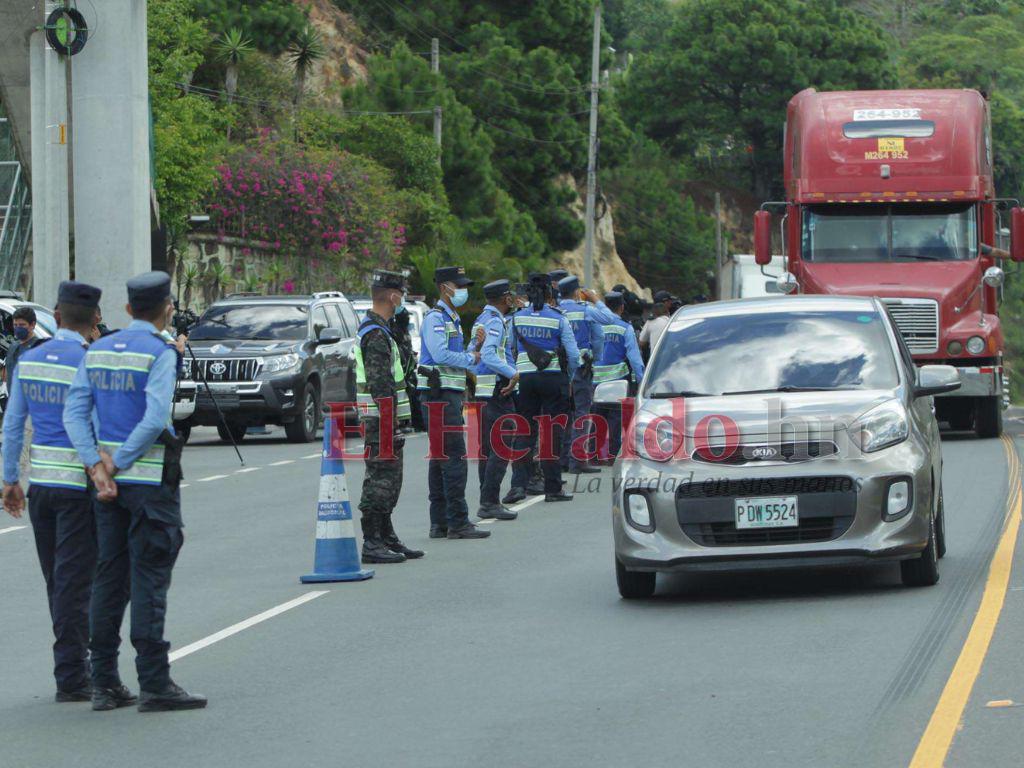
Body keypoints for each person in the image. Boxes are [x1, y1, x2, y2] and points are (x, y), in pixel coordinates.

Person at [64, 271, 206, 713]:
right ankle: (155, 682)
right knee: (149, 579)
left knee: (109, 578)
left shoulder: (99, 349)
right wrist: (118, 461)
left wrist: (97, 466)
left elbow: (74, 413)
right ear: (167, 308)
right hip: (149, 484)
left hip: (109, 489)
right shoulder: (161, 352)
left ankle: (104, 681)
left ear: (127, 310)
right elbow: (155, 419)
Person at [2, 281, 102, 703]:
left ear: (55, 317)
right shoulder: (93, 361)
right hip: (80, 488)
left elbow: (12, 425)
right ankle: (72, 675)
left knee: (56, 580)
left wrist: (10, 481)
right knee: (77, 583)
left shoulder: (30, 359)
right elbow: (98, 426)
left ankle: (74, 665)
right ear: (95, 319)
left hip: (41, 489)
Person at [355, 270, 423, 564]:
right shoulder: (374, 334)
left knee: (391, 479)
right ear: (393, 296)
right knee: (380, 479)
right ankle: (372, 541)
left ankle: (385, 535)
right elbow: (380, 383)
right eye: (402, 294)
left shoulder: (383, 330)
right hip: (379, 417)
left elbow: (401, 373)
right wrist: (389, 422)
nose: (403, 300)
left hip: (385, 417)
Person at [418, 266, 489, 540]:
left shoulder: (452, 318)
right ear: (444, 287)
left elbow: (455, 354)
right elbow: (439, 354)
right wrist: (471, 359)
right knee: (454, 459)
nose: (462, 290)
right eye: (458, 286)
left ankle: (441, 523)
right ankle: (457, 522)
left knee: (440, 459)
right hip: (439, 398)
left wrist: (475, 347)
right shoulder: (435, 318)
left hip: (446, 396)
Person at [505, 273, 580, 503]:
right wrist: (568, 378)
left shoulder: (517, 318)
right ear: (550, 293)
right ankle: (553, 488)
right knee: (551, 434)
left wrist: (515, 373)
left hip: (526, 381)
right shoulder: (559, 318)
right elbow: (574, 355)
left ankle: (518, 486)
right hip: (553, 380)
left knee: (524, 432)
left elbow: (509, 348)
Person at [556, 275, 615, 475]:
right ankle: (578, 461)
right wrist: (595, 299)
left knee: (562, 414)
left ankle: (562, 460)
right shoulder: (585, 310)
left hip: (558, 369)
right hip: (581, 368)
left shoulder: (555, 311)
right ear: (576, 292)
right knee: (581, 413)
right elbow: (609, 319)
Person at [471, 279, 519, 521]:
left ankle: (486, 499)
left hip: (483, 390)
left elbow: (474, 349)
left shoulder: (481, 320)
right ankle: (489, 501)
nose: (512, 299)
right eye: (509, 295)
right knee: (501, 445)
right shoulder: (495, 322)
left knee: (488, 448)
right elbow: (488, 354)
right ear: (504, 299)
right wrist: (514, 373)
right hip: (498, 390)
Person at [594, 291, 646, 461]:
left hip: (595, 379)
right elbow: (634, 358)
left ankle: (594, 455)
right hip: (617, 380)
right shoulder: (625, 327)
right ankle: (612, 455)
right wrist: (642, 380)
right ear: (622, 307)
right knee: (615, 419)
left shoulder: (594, 324)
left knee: (596, 417)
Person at [388, 302, 421, 433]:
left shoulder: (404, 331)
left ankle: (410, 421)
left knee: (411, 394)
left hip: (407, 368)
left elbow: (407, 349)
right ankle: (404, 421)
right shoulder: (393, 330)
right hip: (399, 369)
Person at [6, 305, 41, 376]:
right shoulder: (13, 346)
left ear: (32, 325)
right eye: (15, 325)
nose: (18, 328)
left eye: (22, 325)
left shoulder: (39, 348)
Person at [639, 290, 673, 360]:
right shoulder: (675, 318)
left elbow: (641, 342)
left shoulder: (650, 321)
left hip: (656, 362)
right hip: (672, 360)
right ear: (665, 302)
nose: (671, 302)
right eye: (669, 300)